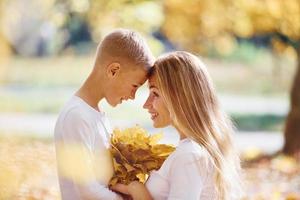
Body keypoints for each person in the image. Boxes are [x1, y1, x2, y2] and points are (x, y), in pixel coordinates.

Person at [112, 51, 242, 200]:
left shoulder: (189, 155)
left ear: (179, 97)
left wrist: (137, 189)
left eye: (155, 93)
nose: (146, 105)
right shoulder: (193, 150)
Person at [54, 29, 154, 200]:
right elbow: (87, 190)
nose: (133, 96)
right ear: (113, 71)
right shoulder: (76, 116)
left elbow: (105, 180)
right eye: (135, 86)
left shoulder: (96, 114)